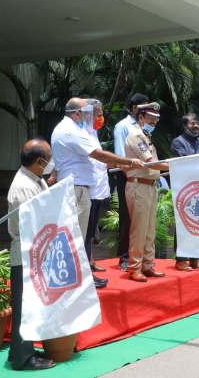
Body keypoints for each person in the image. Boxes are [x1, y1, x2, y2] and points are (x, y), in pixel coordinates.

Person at [51, 97, 144, 269]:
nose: (92, 117)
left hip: (83, 186)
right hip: (76, 187)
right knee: (78, 234)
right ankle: (80, 275)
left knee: (84, 232)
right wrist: (129, 162)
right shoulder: (71, 131)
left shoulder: (73, 128)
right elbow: (97, 154)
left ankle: (85, 272)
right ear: (78, 113)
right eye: (88, 113)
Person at [6, 140, 57, 371]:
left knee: (29, 305)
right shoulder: (23, 187)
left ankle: (18, 350)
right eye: (49, 157)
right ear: (39, 162)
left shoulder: (34, 179)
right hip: (26, 253)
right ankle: (23, 358)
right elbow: (32, 223)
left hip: (34, 252)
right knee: (24, 307)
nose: (51, 162)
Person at [125, 103, 170, 282]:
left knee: (149, 229)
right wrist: (178, 165)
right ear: (141, 117)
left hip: (150, 186)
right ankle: (135, 267)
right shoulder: (136, 135)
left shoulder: (146, 136)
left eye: (156, 119)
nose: (154, 121)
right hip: (139, 186)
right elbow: (151, 163)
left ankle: (147, 264)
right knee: (139, 229)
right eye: (150, 118)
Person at [170, 113, 199, 271]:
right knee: (184, 223)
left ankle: (196, 259)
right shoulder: (178, 142)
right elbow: (186, 163)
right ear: (184, 126)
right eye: (192, 123)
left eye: (198, 123)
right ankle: (180, 259)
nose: (196, 126)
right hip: (184, 190)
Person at [113, 93, 150, 271]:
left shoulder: (144, 128)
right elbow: (121, 156)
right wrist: (129, 174)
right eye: (144, 108)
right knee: (127, 217)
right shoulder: (122, 127)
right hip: (127, 176)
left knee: (143, 220)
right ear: (135, 108)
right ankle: (124, 257)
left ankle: (141, 258)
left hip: (145, 178)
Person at [84, 98, 111, 272]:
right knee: (86, 229)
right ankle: (86, 262)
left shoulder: (92, 132)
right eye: (99, 115)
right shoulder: (82, 132)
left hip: (98, 187)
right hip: (89, 187)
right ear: (90, 115)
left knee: (92, 228)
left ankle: (90, 259)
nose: (101, 118)